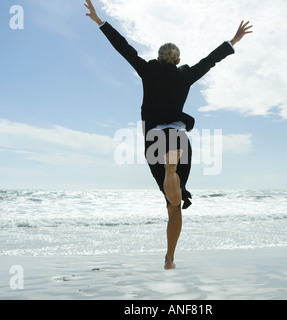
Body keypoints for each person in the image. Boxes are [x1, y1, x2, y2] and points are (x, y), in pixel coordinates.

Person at [84, 0, 253, 269]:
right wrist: (233, 40)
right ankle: (169, 256)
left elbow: (124, 49)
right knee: (175, 204)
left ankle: (169, 172)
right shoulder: (185, 75)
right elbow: (209, 61)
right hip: (178, 137)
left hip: (154, 138)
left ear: (160, 57)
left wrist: (100, 22)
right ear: (178, 60)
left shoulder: (148, 70)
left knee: (170, 197)